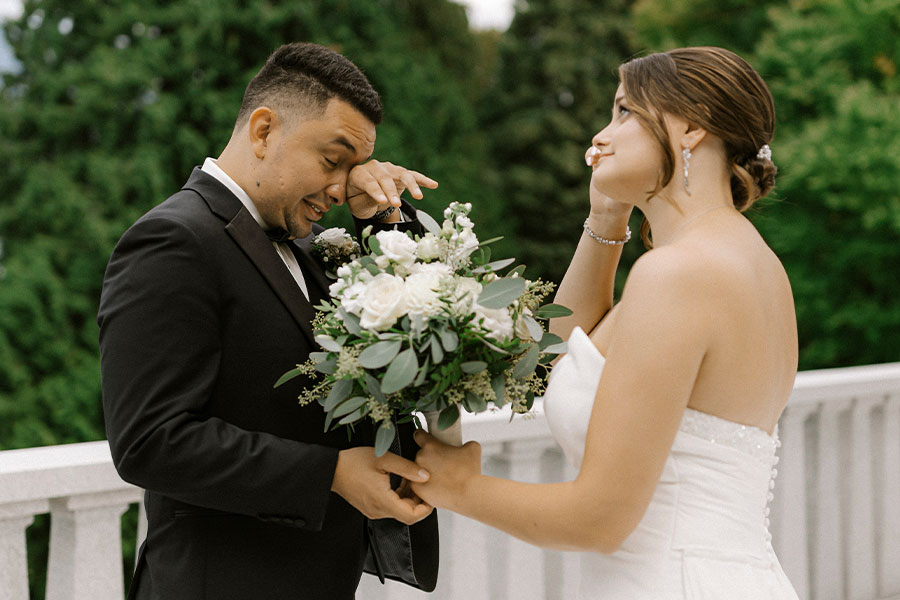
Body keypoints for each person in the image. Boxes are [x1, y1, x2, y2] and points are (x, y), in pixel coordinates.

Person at [412, 46, 800, 599]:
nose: (601, 136)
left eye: (624, 112)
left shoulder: (678, 273)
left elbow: (598, 519)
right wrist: (607, 215)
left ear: (691, 127)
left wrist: (458, 486)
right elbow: (559, 355)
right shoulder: (750, 262)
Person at [98, 42, 439, 600]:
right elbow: (150, 441)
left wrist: (384, 218)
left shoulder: (305, 242)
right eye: (332, 161)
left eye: (354, 168)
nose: (340, 189)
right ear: (263, 131)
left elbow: (411, 338)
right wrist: (331, 474)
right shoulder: (172, 240)